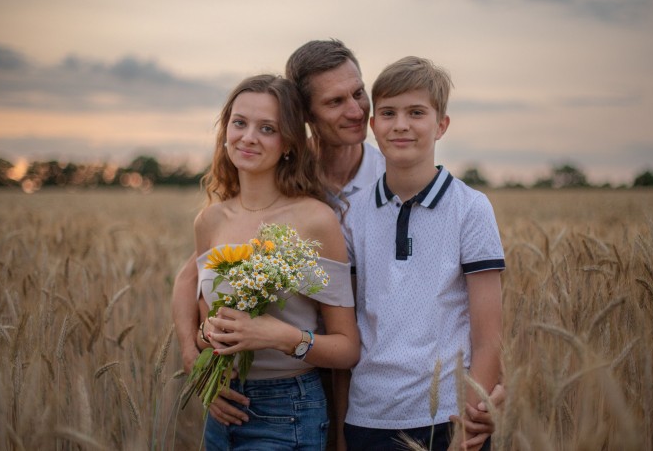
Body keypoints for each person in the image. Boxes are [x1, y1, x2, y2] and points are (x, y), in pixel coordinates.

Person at [171, 40, 503, 445]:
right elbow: (195, 273)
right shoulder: (278, 177)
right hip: (342, 394)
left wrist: (487, 394)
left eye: (359, 94)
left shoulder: (395, 167)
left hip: (371, 386)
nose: (355, 111)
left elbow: (476, 316)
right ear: (305, 117)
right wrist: (196, 358)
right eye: (335, 102)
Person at [338, 56, 505, 451]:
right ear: (373, 124)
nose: (400, 125)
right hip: (368, 416)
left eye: (416, 113)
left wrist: (468, 421)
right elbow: (347, 324)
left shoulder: (471, 207)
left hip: (444, 418)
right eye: (388, 113)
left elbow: (488, 336)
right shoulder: (354, 214)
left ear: (441, 124)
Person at [191, 74, 360, 449]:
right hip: (220, 408)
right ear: (225, 131)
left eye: (267, 128)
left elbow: (347, 348)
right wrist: (208, 362)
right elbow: (206, 323)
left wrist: (278, 336)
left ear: (288, 144)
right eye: (239, 123)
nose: (248, 137)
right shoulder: (210, 222)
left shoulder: (315, 220)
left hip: (289, 410)